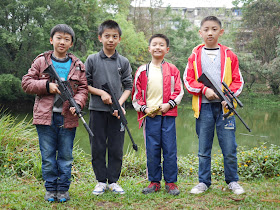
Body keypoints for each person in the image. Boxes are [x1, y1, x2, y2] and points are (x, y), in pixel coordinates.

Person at [22, 24, 88, 202]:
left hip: (68, 118)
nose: (62, 42)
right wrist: (46, 86)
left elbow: (83, 89)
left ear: (71, 43)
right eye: (59, 38)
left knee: (66, 156)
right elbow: (26, 83)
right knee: (48, 156)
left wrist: (79, 103)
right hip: (45, 118)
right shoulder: (41, 61)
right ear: (51, 40)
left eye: (67, 39)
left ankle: (63, 189)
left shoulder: (78, 65)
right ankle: (51, 189)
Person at [183, 16, 245, 195]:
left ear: (221, 32)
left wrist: (228, 95)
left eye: (214, 29)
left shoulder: (229, 55)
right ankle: (203, 182)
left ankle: (232, 181)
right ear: (200, 32)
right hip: (204, 108)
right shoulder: (194, 55)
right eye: (206, 29)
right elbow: (188, 80)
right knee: (203, 149)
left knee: (229, 148)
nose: (210, 32)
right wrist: (203, 90)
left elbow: (238, 81)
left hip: (226, 108)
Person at [132, 34, 184, 195]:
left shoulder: (173, 69)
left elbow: (179, 91)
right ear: (149, 49)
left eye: (161, 45)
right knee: (152, 148)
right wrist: (144, 108)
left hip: (167, 114)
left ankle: (171, 182)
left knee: (170, 149)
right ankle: (154, 182)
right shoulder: (142, 71)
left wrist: (169, 104)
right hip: (150, 116)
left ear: (167, 50)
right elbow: (136, 95)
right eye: (154, 44)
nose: (157, 47)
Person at [85, 20, 133, 195]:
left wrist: (119, 104)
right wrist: (101, 93)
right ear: (100, 38)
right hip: (97, 110)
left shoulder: (124, 61)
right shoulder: (92, 59)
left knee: (116, 147)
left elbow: (129, 86)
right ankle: (100, 181)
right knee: (97, 146)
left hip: (117, 112)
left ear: (119, 39)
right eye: (107, 36)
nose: (111, 40)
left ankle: (113, 181)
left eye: (114, 36)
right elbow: (85, 84)